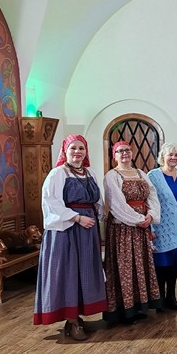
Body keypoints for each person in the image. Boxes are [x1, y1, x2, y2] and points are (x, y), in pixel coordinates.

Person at [33, 135, 108, 341]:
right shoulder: (58, 173)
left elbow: (98, 201)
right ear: (65, 151)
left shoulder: (90, 173)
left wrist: (99, 216)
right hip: (66, 231)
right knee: (68, 272)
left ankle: (77, 316)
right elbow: (51, 202)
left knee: (84, 271)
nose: (77, 152)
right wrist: (77, 218)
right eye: (73, 148)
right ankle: (72, 320)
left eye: (81, 148)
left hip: (87, 230)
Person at [103, 141, 162, 323]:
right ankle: (123, 310)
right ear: (114, 155)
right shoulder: (112, 176)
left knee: (140, 265)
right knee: (125, 266)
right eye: (120, 151)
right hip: (123, 228)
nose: (124, 154)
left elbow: (152, 196)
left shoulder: (141, 174)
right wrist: (137, 220)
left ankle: (138, 306)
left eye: (127, 150)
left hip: (142, 227)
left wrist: (151, 215)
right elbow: (116, 204)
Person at [147, 143, 177, 311]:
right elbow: (148, 202)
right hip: (161, 227)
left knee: (173, 265)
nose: (173, 158)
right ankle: (159, 299)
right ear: (162, 156)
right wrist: (151, 228)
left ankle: (171, 296)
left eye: (176, 155)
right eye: (170, 154)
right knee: (161, 265)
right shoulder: (153, 175)